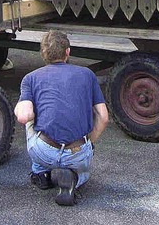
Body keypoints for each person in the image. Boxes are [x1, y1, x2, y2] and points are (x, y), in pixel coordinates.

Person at [14, 30, 109, 206]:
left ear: (43, 54)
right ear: (67, 52)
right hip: (77, 153)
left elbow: (24, 116)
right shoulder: (87, 74)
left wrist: (21, 106)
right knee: (83, 171)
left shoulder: (30, 78)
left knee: (29, 120)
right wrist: (89, 142)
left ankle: (41, 173)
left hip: (44, 151)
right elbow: (103, 117)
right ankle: (74, 178)